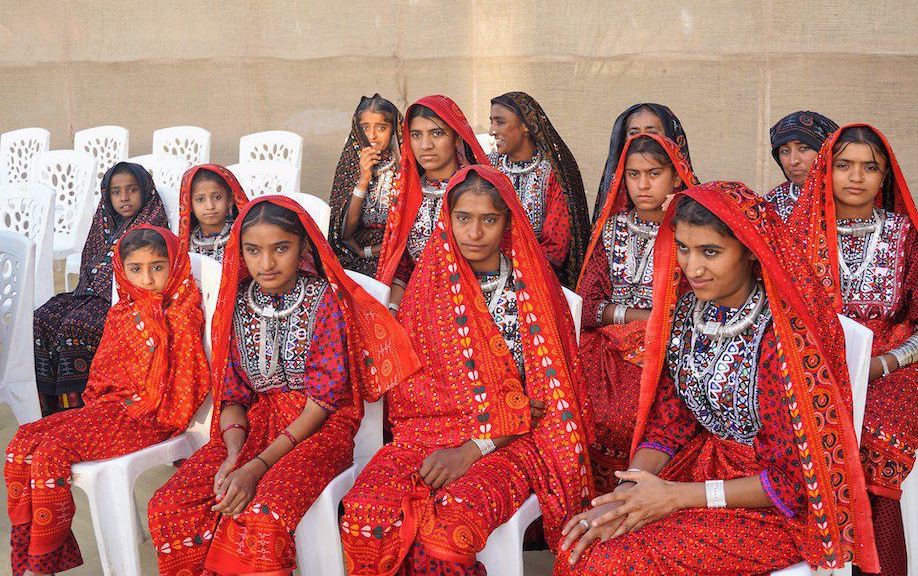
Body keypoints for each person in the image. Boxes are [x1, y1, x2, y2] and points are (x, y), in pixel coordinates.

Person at [557, 182, 878, 574]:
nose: (692, 268)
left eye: (710, 252)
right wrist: (629, 490)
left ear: (749, 251)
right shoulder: (691, 309)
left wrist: (675, 497)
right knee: (586, 540)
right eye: (684, 248)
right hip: (703, 468)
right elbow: (671, 418)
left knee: (612, 562)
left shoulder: (784, 341)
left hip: (771, 507)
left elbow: (792, 484)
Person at [148, 196, 419, 575]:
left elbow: (320, 405)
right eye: (253, 250)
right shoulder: (238, 303)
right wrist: (233, 457)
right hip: (256, 425)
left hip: (322, 430)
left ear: (303, 247)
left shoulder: (325, 301)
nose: (266, 263)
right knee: (170, 504)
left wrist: (255, 468)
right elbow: (233, 396)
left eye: (280, 248)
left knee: (262, 511)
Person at [342, 166, 593, 574]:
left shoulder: (533, 290)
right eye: (464, 218)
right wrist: (470, 422)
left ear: (508, 223)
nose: (474, 232)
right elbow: (413, 391)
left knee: (449, 527)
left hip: (516, 441)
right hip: (426, 432)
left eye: (488, 220)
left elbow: (548, 401)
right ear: (447, 218)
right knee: (364, 510)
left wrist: (475, 448)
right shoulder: (428, 285)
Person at [788, 124, 918, 574]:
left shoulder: (902, 233)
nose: (856, 176)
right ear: (826, 171)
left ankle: (875, 562)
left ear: (885, 178)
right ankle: (808, 548)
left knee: (868, 429)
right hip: (813, 357)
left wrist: (883, 363)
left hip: (894, 366)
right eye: (844, 165)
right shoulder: (797, 237)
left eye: (869, 167)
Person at [7, 225, 209, 576]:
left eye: (158, 267)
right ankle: (27, 551)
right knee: (20, 442)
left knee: (51, 454)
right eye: (136, 269)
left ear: (175, 265)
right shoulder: (123, 311)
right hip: (111, 411)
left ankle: (43, 562)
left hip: (153, 418)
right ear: (122, 270)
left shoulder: (182, 314)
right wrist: (105, 407)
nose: (147, 278)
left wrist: (138, 406)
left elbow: (186, 391)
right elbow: (102, 377)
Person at [576, 133, 696, 493]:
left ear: (676, 176)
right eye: (632, 174)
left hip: (670, 345)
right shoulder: (611, 228)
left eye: (653, 173)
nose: (642, 185)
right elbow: (588, 305)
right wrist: (640, 318)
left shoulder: (690, 232)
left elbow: (696, 307)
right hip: (606, 347)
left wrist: (651, 324)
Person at [33, 162, 167, 414]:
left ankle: (77, 409)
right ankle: (48, 409)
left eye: (132, 190)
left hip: (124, 303)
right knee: (42, 317)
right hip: (90, 295)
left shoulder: (152, 223)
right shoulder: (104, 221)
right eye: (116, 192)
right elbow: (89, 265)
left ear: (145, 190)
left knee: (76, 326)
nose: (124, 198)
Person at [375, 94, 490, 312]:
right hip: (415, 305)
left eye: (437, 133)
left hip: (470, 308)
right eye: (416, 135)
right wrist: (393, 309)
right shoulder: (406, 195)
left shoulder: (479, 192)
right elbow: (403, 267)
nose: (425, 145)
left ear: (457, 138)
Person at [488, 91, 590, 288]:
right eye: (491, 121)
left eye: (500, 122)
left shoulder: (553, 173)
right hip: (486, 273)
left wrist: (513, 276)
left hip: (538, 279)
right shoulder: (487, 166)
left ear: (526, 124)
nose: (492, 130)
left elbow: (555, 248)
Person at [329, 94, 405, 277]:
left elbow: (408, 230)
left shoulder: (406, 166)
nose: (371, 136)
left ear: (394, 130)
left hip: (396, 252)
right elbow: (344, 233)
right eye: (365, 127)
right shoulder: (352, 163)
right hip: (356, 248)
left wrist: (369, 252)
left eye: (381, 127)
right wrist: (363, 180)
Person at [592, 103, 693, 223]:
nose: (642, 139)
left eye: (652, 133)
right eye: (634, 133)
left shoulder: (693, 219)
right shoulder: (611, 225)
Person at [765, 111, 839, 219]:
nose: (793, 161)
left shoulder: (852, 197)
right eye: (785, 151)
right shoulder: (770, 206)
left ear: (827, 151)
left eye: (803, 148)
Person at [179, 164, 249, 262]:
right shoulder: (186, 243)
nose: (210, 206)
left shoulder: (244, 237)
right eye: (200, 199)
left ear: (230, 199)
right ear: (189, 204)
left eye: (217, 197)